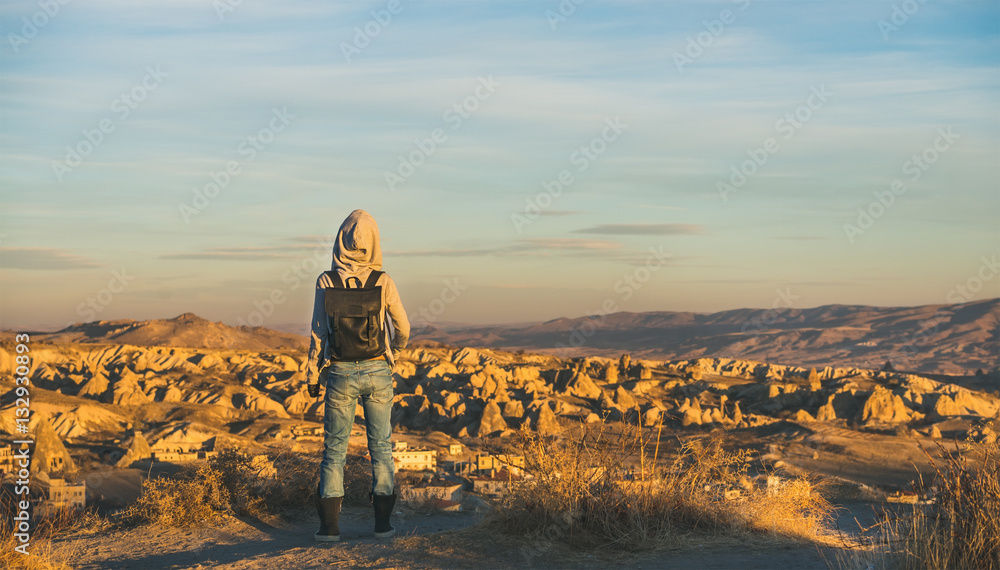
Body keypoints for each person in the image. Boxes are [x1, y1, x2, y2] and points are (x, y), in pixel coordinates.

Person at [306, 209, 409, 542]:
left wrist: (311, 374)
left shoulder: (326, 281)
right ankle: (382, 526)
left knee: (334, 450)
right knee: (380, 446)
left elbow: (318, 332)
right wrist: (395, 352)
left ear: (340, 241)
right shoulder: (383, 281)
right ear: (375, 242)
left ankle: (329, 528)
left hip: (339, 372)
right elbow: (403, 327)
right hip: (378, 369)